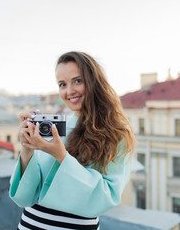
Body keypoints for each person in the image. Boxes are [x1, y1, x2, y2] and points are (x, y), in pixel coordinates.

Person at [9, 51, 136, 230]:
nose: (69, 91)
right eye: (62, 84)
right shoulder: (56, 126)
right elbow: (24, 197)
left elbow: (107, 197)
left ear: (94, 81)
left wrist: (61, 156)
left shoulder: (117, 132)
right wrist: (27, 148)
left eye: (78, 80)